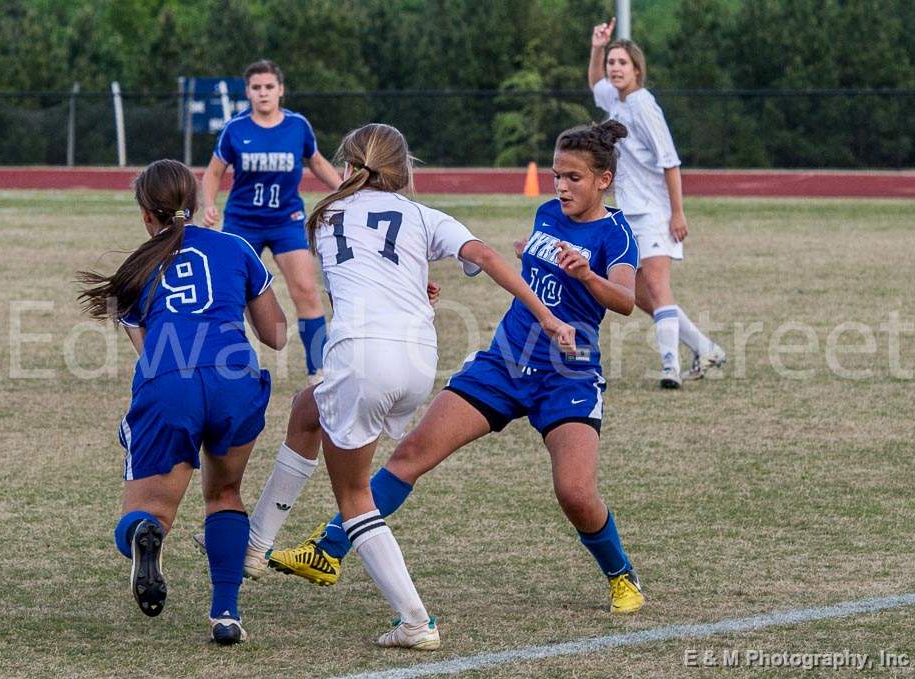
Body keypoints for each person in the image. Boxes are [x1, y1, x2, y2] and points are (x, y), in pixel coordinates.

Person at [267, 122, 647, 617]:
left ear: (604, 180)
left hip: (568, 375)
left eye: (573, 178)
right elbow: (533, 280)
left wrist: (587, 273)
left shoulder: (616, 233)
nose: (561, 186)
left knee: (574, 493)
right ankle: (328, 549)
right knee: (412, 454)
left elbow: (625, 300)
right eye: (556, 175)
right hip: (504, 362)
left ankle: (621, 574)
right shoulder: (547, 213)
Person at [76, 159, 287, 646]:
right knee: (224, 496)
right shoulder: (235, 246)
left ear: (146, 214)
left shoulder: (136, 267)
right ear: (194, 203)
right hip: (234, 377)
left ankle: (142, 536)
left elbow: (149, 352)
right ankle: (226, 614)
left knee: (149, 514)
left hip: (170, 379)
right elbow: (276, 334)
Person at [588, 18, 725, 388]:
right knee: (637, 295)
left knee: (659, 289)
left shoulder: (644, 106)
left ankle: (670, 370)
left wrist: (677, 213)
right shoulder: (615, 100)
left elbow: (670, 161)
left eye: (621, 63)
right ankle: (706, 348)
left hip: (654, 214)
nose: (614, 69)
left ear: (637, 70)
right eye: (611, 62)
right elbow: (594, 85)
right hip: (626, 215)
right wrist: (597, 46)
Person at [201, 59, 342, 382]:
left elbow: (317, 162)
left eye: (269, 87)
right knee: (231, 295)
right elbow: (213, 172)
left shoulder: (297, 126)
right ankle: (229, 365)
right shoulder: (235, 129)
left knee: (306, 289)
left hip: (287, 221)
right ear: (248, 92)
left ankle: (318, 371)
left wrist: (344, 191)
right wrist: (209, 204)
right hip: (242, 224)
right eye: (256, 88)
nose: (263, 93)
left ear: (281, 90)